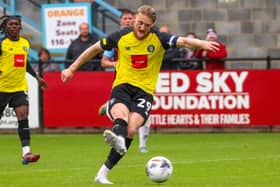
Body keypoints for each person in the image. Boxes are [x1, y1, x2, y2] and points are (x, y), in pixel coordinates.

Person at [61, 5, 219, 184]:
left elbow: (183, 41)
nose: (142, 27)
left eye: (147, 25)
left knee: (131, 129)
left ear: (153, 25)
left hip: (145, 91)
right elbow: (94, 49)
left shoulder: (159, 37)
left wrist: (203, 43)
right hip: (123, 85)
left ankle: (102, 172)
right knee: (121, 117)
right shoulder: (120, 36)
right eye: (140, 22)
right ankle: (116, 135)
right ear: (135, 19)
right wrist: (72, 68)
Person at [99, 8, 150, 153]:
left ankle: (142, 144)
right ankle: (112, 112)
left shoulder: (146, 36)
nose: (127, 21)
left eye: (130, 18)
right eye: (125, 19)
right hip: (124, 80)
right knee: (125, 113)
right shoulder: (116, 38)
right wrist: (115, 64)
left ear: (135, 20)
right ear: (121, 21)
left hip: (143, 80)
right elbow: (104, 62)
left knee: (144, 114)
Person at [0, 15, 48, 164]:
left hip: (19, 87)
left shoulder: (25, 43)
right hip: (2, 87)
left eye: (16, 24)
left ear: (21, 27)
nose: (14, 27)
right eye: (10, 25)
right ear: (5, 28)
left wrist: (37, 77)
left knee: (23, 116)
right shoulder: (1, 43)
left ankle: (26, 153)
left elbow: (24, 62)